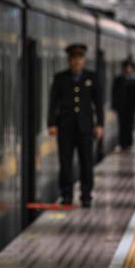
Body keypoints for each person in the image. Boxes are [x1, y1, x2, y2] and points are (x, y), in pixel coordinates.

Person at [48, 43, 104, 208]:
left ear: (84, 60)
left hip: (86, 128)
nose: (77, 61)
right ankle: (66, 194)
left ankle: (86, 195)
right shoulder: (60, 78)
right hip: (65, 127)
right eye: (74, 58)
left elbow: (98, 103)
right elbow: (53, 103)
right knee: (65, 163)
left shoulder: (91, 78)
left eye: (80, 58)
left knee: (86, 162)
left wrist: (100, 124)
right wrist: (51, 123)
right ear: (69, 60)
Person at [111, 59, 135, 151]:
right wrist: (114, 105)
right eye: (126, 67)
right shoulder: (118, 79)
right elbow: (114, 93)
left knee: (129, 125)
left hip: (131, 107)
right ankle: (122, 143)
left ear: (132, 69)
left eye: (129, 67)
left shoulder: (134, 80)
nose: (127, 69)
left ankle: (129, 143)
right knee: (121, 125)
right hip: (121, 107)